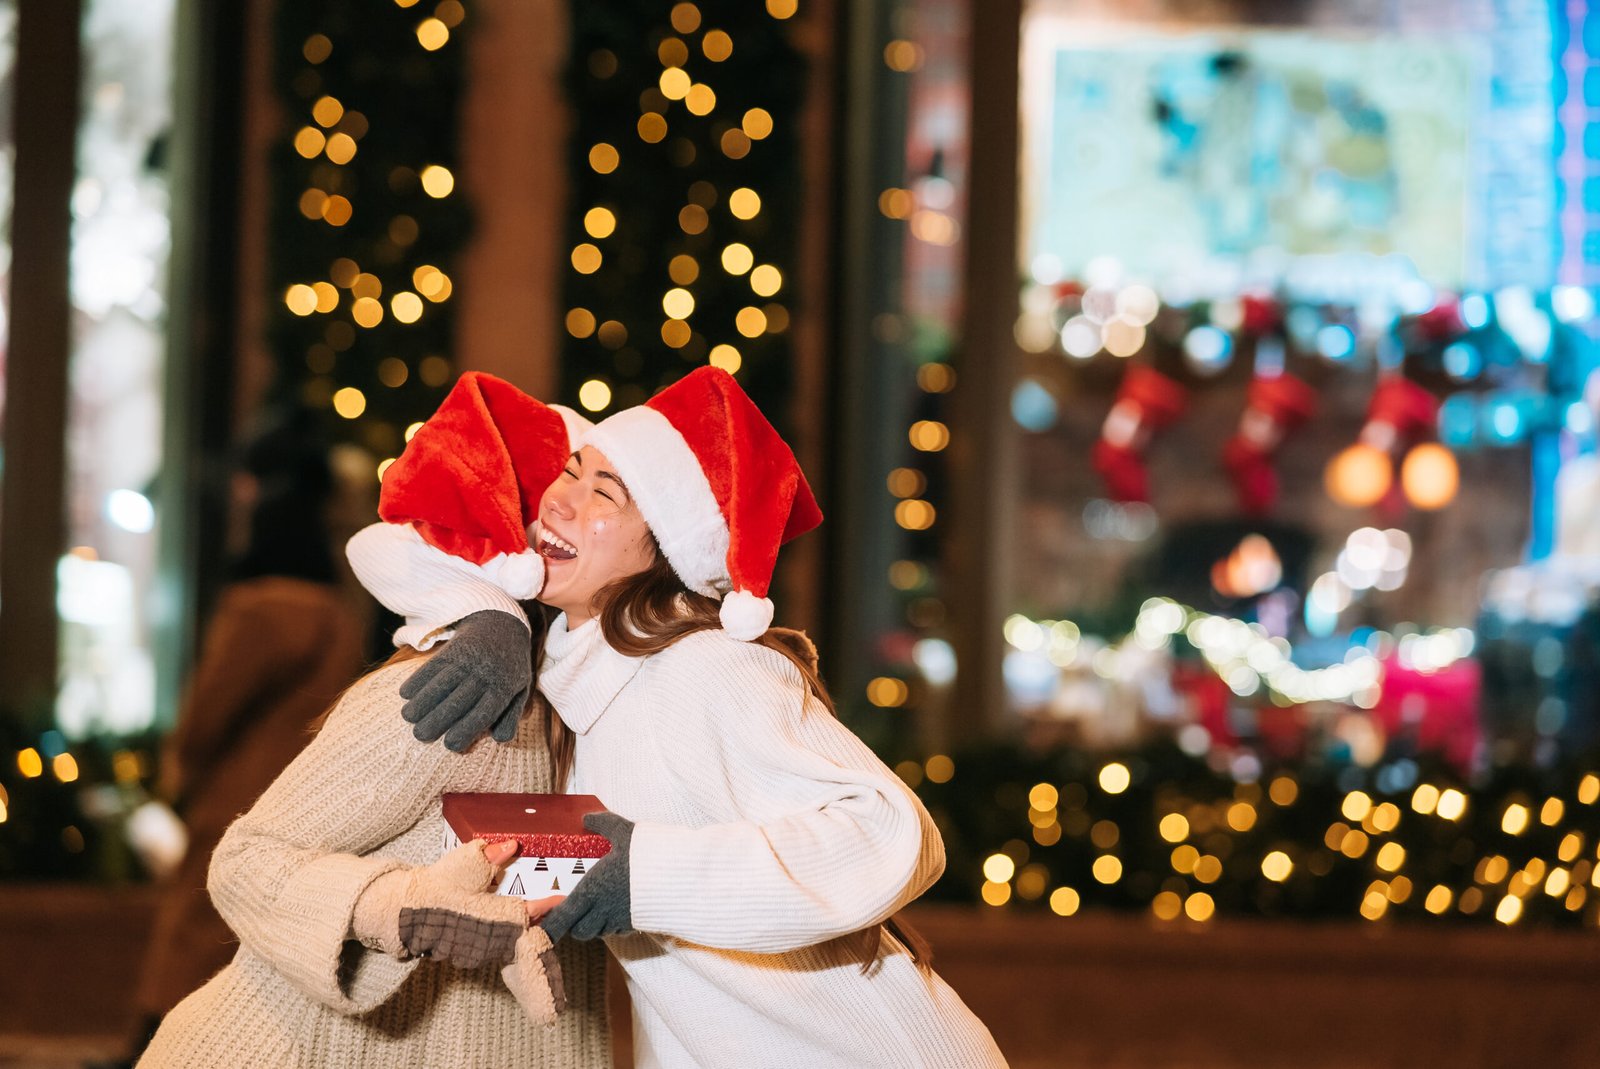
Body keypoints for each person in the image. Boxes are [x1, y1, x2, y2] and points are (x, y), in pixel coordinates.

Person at [356, 367, 1007, 1068]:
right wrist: (490, 616)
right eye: (568, 472)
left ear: (664, 548)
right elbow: (398, 533)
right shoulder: (571, 673)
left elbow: (890, 832)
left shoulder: (704, 666)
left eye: (603, 492)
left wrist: (645, 874)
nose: (560, 502)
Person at [137, 375, 610, 1069]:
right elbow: (245, 860)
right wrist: (403, 908)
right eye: (572, 487)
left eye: (609, 493)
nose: (579, 508)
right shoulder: (457, 694)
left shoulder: (608, 704)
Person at [133, 407, 366, 1036]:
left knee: (194, 936)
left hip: (235, 797)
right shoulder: (336, 607)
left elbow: (210, 714)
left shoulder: (260, 606)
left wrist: (179, 773)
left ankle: (155, 1045)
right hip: (306, 799)